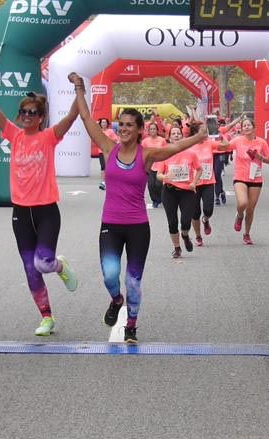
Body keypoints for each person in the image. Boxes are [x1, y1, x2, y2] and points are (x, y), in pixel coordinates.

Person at [68, 73, 206, 344]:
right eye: (121, 124)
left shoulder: (148, 155)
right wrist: (79, 88)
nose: (124, 129)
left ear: (140, 129)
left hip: (137, 227)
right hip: (111, 223)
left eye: (130, 125)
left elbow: (176, 146)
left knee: (133, 280)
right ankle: (115, 300)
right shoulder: (109, 148)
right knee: (110, 276)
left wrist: (200, 136)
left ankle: (131, 324)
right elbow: (85, 118)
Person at [0, 55, 82, 337]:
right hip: (21, 212)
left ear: (41, 117)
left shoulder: (49, 137)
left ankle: (59, 265)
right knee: (30, 269)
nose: (27, 116)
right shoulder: (13, 135)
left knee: (43, 263)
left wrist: (79, 90)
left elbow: (73, 115)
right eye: (23, 111)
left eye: (32, 112)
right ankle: (47, 317)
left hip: (47, 210)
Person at [215, 117, 269, 246]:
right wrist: (221, 137)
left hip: (255, 177)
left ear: (254, 127)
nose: (246, 127)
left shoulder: (261, 143)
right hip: (240, 176)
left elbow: (268, 160)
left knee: (250, 209)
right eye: (244, 126)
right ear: (241, 129)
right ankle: (239, 215)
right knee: (243, 203)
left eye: (248, 125)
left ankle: (246, 234)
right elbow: (225, 147)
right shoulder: (238, 141)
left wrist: (259, 157)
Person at [153, 124, 202, 258]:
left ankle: (185, 235)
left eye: (178, 133)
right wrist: (165, 177)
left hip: (187, 191)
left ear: (182, 136)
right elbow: (158, 174)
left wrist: (194, 182)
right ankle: (177, 248)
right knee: (172, 221)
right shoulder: (165, 153)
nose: (176, 135)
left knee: (186, 221)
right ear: (169, 137)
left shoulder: (191, 153)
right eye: (173, 134)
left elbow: (199, 169)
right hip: (169, 191)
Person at [142, 122, 167, 209]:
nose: (153, 130)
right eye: (151, 129)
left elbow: (165, 151)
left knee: (158, 184)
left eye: (154, 129)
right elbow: (142, 153)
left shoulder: (162, 140)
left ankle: (161, 198)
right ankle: (155, 200)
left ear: (157, 130)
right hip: (149, 165)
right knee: (151, 185)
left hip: (160, 163)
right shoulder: (145, 141)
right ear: (148, 131)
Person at [92, 117, 119, 190]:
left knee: (110, 167)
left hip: (109, 152)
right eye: (102, 122)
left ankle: (111, 182)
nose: (104, 123)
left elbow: (116, 140)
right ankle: (103, 182)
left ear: (107, 124)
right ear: (100, 124)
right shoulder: (99, 131)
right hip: (101, 152)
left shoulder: (110, 131)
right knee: (103, 167)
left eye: (105, 122)